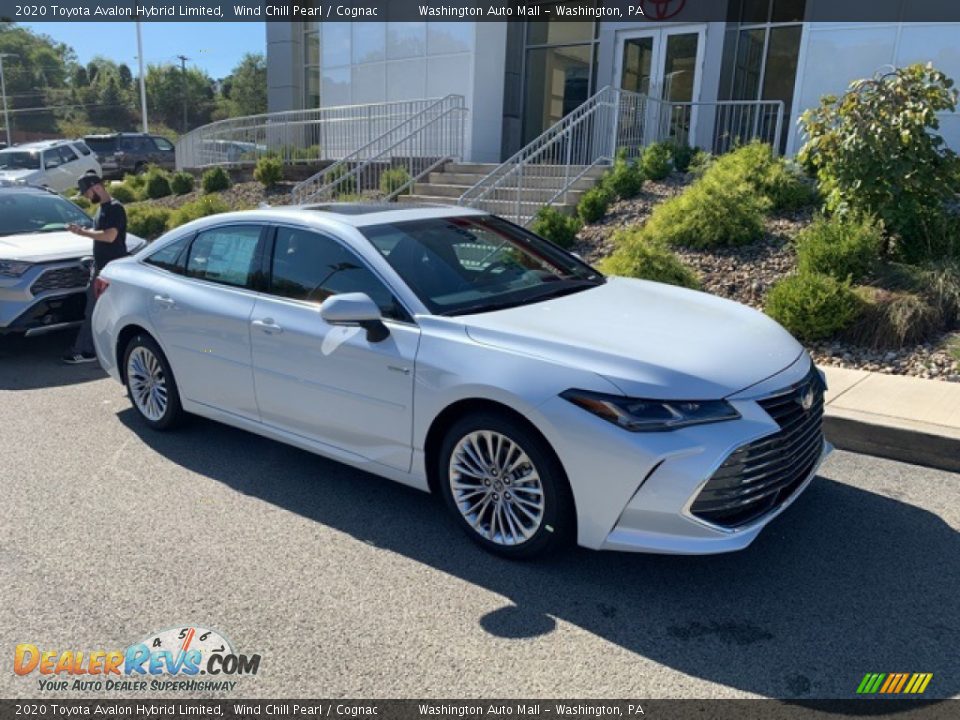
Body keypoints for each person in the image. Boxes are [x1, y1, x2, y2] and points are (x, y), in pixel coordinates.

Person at [62, 173, 128, 364]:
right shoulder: (102, 209)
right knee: (96, 310)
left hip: (111, 270)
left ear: (96, 187)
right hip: (100, 268)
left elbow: (110, 236)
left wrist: (82, 233)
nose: (86, 197)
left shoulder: (115, 208)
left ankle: (85, 351)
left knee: (94, 311)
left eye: (86, 193)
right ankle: (96, 349)